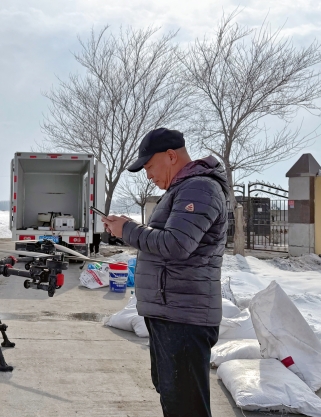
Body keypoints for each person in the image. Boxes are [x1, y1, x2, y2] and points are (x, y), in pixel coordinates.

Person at [102, 128, 229, 417]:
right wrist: (129, 228)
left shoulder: (199, 188)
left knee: (185, 407)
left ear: (171, 156)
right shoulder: (183, 189)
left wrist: (129, 229)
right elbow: (168, 238)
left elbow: (176, 244)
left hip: (183, 318)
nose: (148, 175)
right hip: (172, 313)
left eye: (149, 166)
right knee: (174, 399)